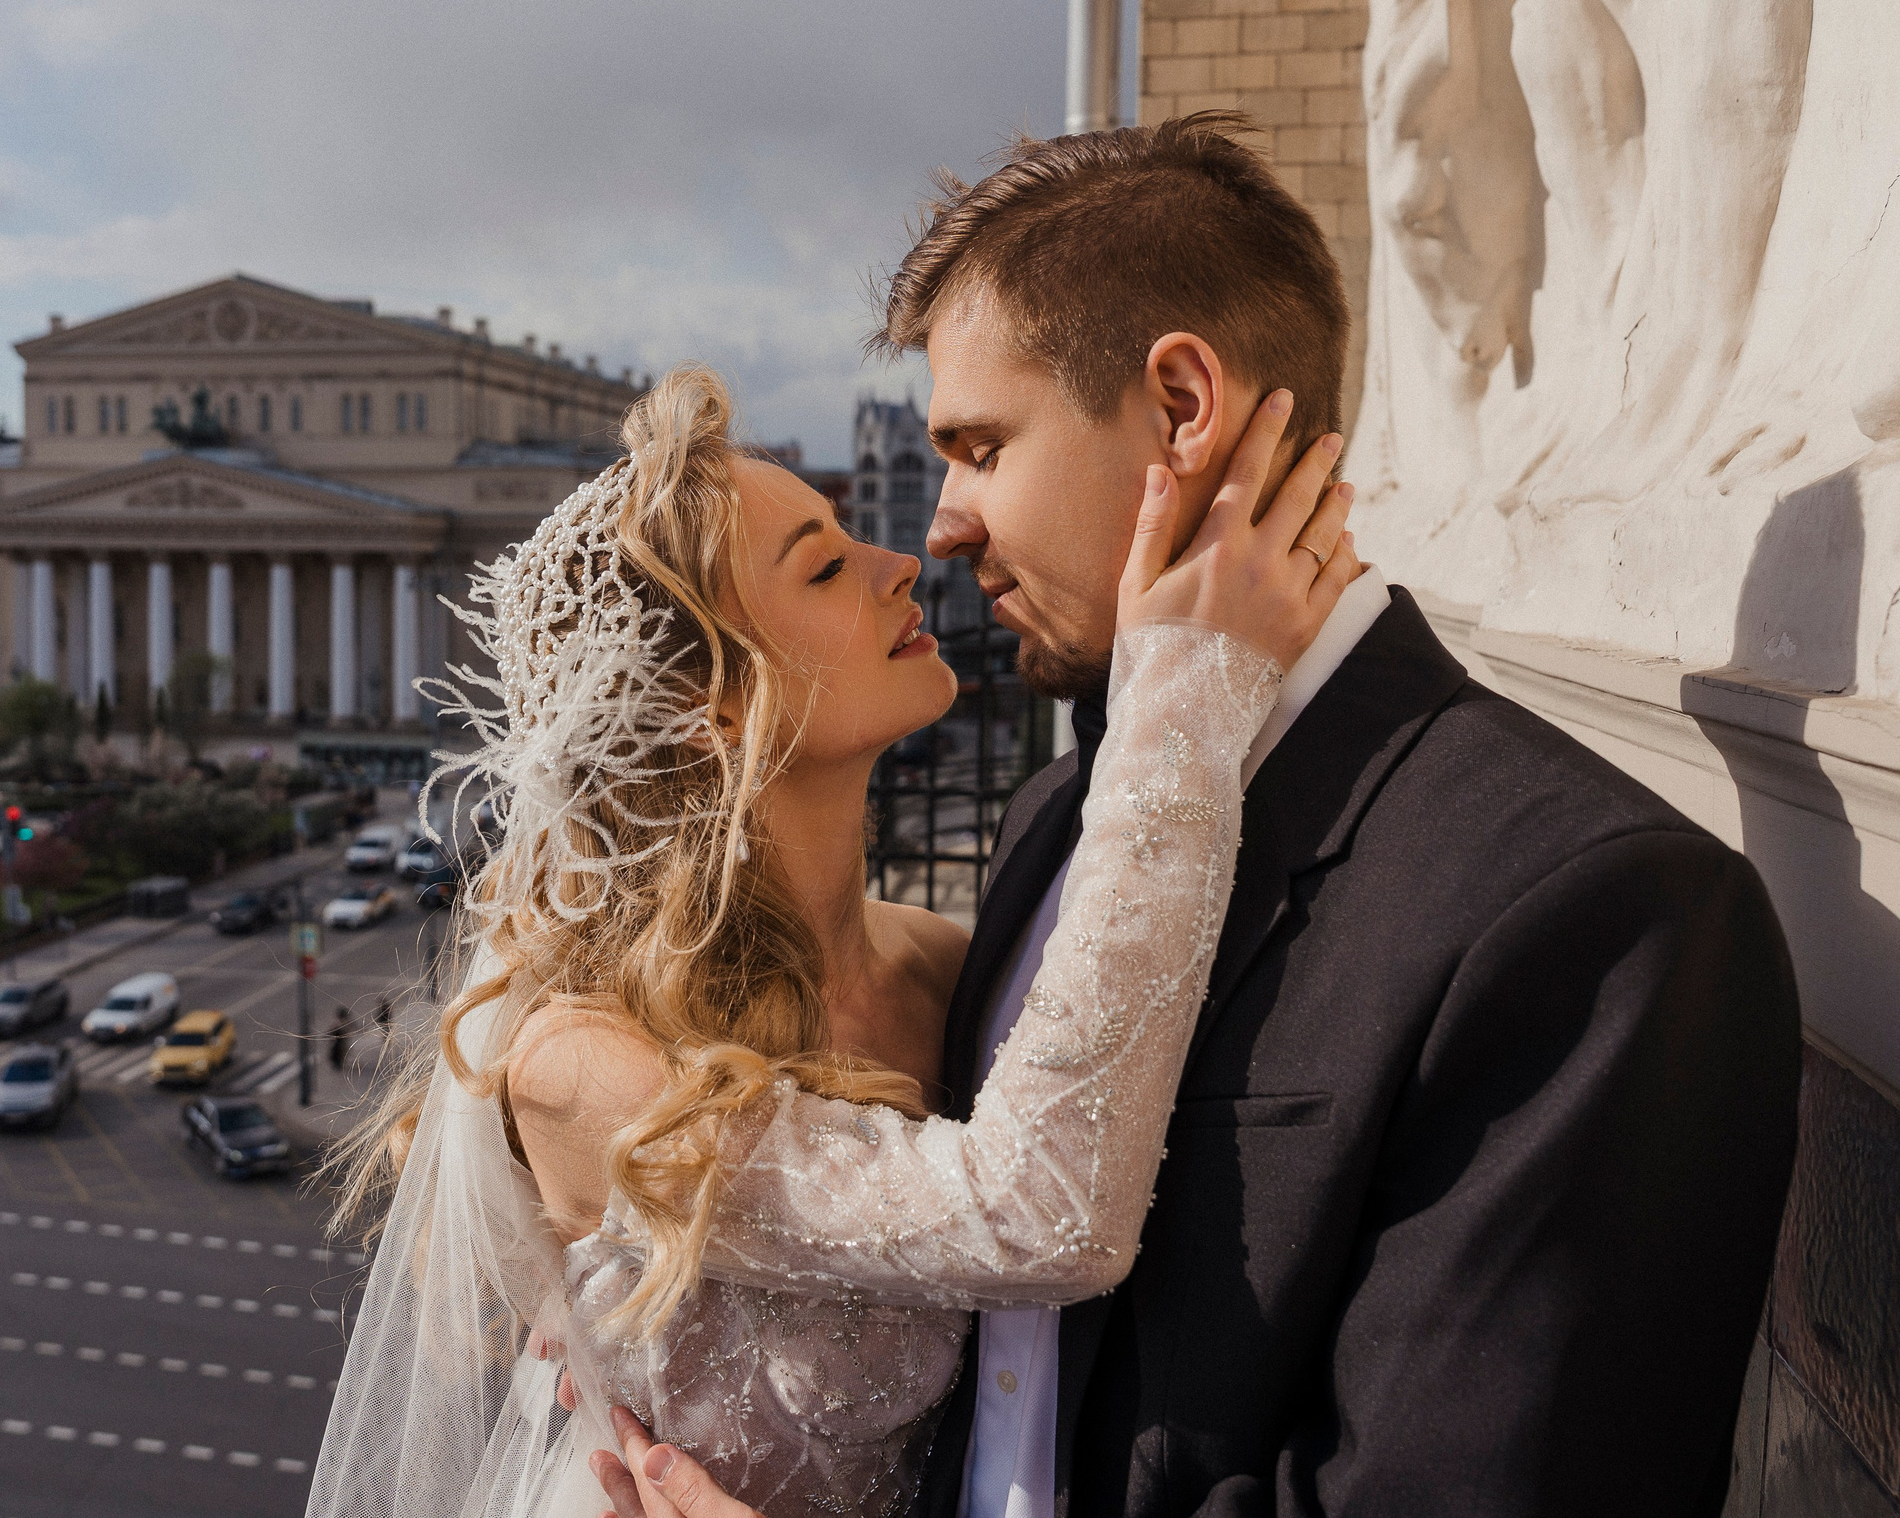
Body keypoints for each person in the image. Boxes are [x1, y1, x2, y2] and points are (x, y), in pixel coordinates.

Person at [592, 119, 1802, 1518]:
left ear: (1179, 406)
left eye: (980, 446)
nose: (941, 525)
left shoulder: (1591, 912)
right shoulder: (1055, 815)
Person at [307, 355, 1357, 1518]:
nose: (902, 560)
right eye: (824, 564)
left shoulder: (944, 961)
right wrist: (1190, 688)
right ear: (715, 709)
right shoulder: (578, 1064)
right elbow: (1042, 1214)